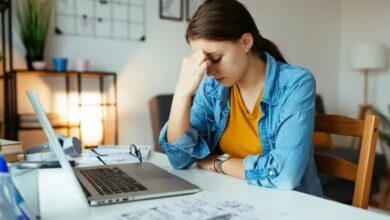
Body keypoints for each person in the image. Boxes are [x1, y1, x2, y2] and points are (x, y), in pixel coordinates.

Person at [159, 0, 323, 196]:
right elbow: (180, 158)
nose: (209, 71)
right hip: (235, 199)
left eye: (216, 58)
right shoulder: (213, 87)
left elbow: (285, 175)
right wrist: (182, 92)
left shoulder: (295, 83)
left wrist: (217, 162)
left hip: (291, 208)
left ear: (246, 42)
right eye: (202, 61)